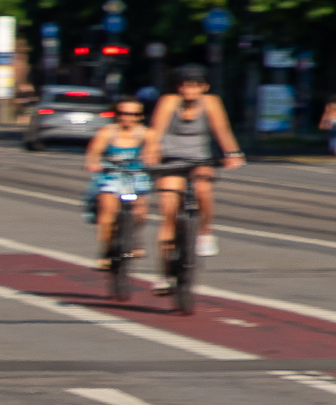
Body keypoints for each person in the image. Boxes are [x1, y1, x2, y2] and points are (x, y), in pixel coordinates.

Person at [144, 65, 244, 269]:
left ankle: (205, 232)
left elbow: (222, 130)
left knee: (203, 189)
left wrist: (232, 153)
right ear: (178, 87)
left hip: (200, 160)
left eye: (196, 85)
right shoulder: (169, 102)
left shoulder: (211, 102)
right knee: (169, 211)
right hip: (170, 160)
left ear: (204, 87)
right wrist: (151, 151)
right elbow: (155, 131)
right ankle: (165, 274)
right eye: (185, 85)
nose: (190, 90)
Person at [82, 98, 153, 267]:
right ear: (117, 115)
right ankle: (106, 250)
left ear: (140, 116)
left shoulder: (147, 133)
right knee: (107, 212)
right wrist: (93, 163)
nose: (127, 118)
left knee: (140, 210)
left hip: (136, 175)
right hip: (112, 175)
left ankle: (135, 238)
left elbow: (154, 151)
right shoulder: (107, 132)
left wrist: (151, 160)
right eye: (123, 113)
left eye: (133, 114)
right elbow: (94, 152)